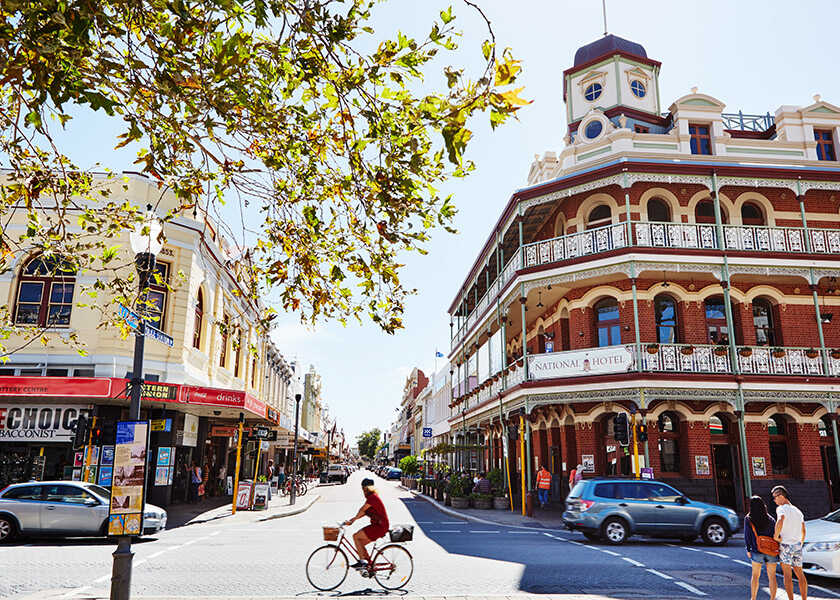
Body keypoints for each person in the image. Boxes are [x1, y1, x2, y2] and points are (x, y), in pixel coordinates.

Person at [344, 478, 390, 570]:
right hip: (378, 526)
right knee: (360, 543)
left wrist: (352, 520)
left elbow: (362, 510)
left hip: (380, 526)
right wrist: (353, 520)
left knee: (356, 536)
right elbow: (364, 513)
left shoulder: (372, 498)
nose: (363, 491)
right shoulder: (372, 497)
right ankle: (369, 564)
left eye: (363, 489)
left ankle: (362, 563)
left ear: (367, 488)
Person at [772, 485, 808, 600]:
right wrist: (800, 542)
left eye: (775, 497)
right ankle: (804, 599)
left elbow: (780, 520)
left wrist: (776, 536)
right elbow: (803, 529)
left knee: (787, 575)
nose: (774, 500)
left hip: (786, 544)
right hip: (797, 545)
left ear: (781, 496)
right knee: (800, 574)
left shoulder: (781, 508)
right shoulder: (798, 511)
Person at [744, 495, 778, 600]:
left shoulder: (748, 519)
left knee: (755, 576)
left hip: (756, 550)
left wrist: (748, 549)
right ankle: (772, 598)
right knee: (772, 576)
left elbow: (747, 535)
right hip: (771, 551)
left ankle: (753, 598)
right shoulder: (770, 519)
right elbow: (775, 534)